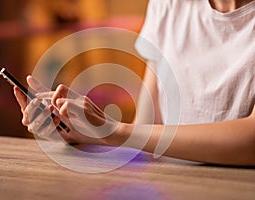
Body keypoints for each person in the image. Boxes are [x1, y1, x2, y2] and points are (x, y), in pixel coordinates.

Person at [14, 0, 255, 166]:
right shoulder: (167, 5)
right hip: (172, 187)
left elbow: (250, 142)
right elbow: (144, 129)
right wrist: (78, 130)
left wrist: (115, 131)